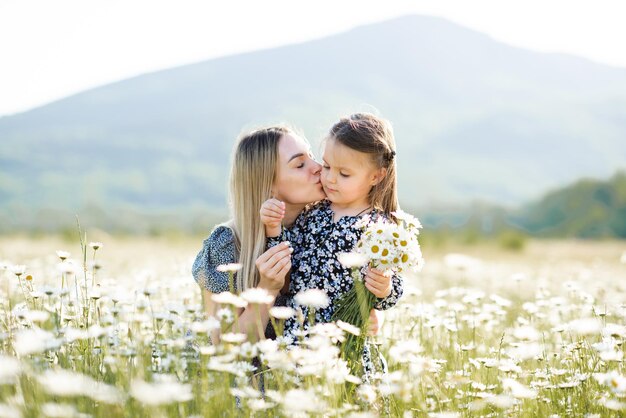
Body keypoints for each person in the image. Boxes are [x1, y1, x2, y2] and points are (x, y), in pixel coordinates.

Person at [261, 113, 403, 381]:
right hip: (299, 336)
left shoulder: (379, 228)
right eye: (326, 167)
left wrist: (384, 289)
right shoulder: (313, 212)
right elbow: (287, 260)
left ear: (376, 176)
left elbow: (393, 286)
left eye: (344, 174)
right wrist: (274, 228)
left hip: (345, 343)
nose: (331, 179)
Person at [191, 126, 326, 343]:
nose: (318, 167)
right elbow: (221, 345)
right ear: (268, 184)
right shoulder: (227, 244)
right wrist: (267, 289)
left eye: (311, 157)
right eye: (300, 164)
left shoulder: (323, 230)